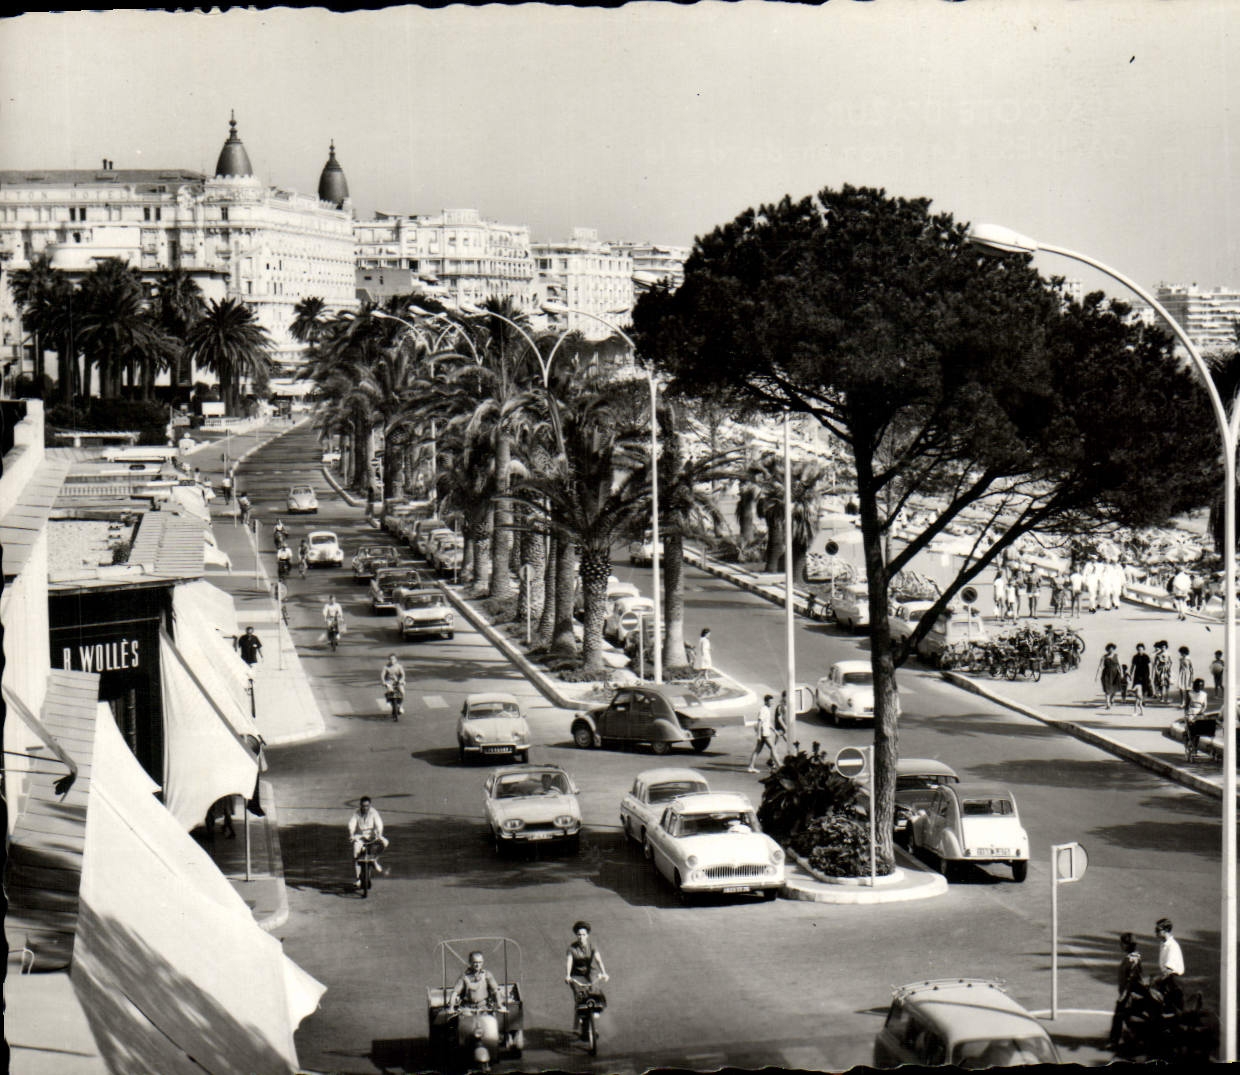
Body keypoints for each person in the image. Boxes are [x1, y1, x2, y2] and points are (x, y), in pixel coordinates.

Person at [565, 921, 608, 1038]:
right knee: (580, 998)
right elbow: (569, 962)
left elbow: (598, 960)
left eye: (583, 934)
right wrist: (568, 975)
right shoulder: (572, 948)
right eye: (579, 934)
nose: (581, 937)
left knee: (595, 992)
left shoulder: (592, 945)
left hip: (590, 972)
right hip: (576, 975)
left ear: (587, 935)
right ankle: (576, 1025)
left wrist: (604, 973)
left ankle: (595, 1019)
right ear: (576, 935)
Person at [1107, 932, 1146, 1051]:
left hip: (1129, 994)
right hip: (1130, 994)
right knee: (1128, 1018)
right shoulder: (1135, 957)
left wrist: (1123, 996)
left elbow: (1130, 980)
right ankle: (1136, 1040)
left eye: (1122, 943)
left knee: (1119, 1017)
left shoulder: (1131, 960)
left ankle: (1115, 1042)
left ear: (1126, 945)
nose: (1120, 945)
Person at [348, 796, 388, 888]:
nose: (365, 808)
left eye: (367, 806)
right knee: (356, 854)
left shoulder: (374, 813)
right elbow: (352, 824)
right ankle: (358, 879)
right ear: (360, 805)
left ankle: (374, 859)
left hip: (372, 836)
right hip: (360, 837)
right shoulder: (356, 813)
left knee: (385, 842)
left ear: (370, 805)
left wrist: (379, 834)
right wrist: (351, 834)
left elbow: (379, 824)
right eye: (363, 806)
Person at [1153, 918, 1184, 1011]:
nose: (1156, 933)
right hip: (1168, 980)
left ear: (1166, 930)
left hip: (1172, 982)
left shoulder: (1172, 946)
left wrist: (1156, 980)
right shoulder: (1164, 944)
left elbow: (1169, 971)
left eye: (1158, 930)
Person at [747, 693, 779, 772]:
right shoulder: (763, 710)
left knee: (757, 750)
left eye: (772, 701)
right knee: (773, 748)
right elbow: (760, 722)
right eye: (770, 701)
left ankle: (751, 767)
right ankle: (779, 765)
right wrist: (758, 735)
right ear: (766, 702)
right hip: (764, 733)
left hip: (765, 733)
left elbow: (768, 723)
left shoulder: (767, 710)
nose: (772, 703)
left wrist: (774, 730)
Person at [1098, 643, 1123, 711]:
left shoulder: (1117, 656)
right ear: (1107, 649)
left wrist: (1122, 673)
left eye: (1112, 649)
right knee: (1107, 689)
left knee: (1115, 689)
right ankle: (1108, 704)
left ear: (1114, 649)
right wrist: (1097, 675)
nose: (1111, 650)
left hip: (1115, 674)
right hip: (1106, 674)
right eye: (1109, 649)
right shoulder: (1104, 657)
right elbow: (1100, 666)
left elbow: (1120, 665)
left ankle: (1111, 699)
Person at [1129, 643, 1152, 716]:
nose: (1140, 650)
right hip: (1137, 674)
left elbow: (1150, 666)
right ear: (1137, 650)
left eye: (1141, 649)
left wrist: (1150, 675)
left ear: (1143, 649)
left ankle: (1143, 700)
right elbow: (1132, 666)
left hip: (1145, 674)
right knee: (1137, 688)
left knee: (1145, 688)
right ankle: (1140, 700)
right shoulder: (1135, 657)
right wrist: (1130, 674)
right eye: (1138, 649)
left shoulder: (1146, 656)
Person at [1152, 641, 1173, 705]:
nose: (1163, 648)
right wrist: (1157, 671)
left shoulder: (1168, 654)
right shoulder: (1158, 655)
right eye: (1162, 647)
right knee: (1161, 684)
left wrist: (1169, 668)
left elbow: (1171, 662)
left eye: (1164, 647)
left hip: (1167, 670)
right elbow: (1155, 664)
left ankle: (1166, 698)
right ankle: (1161, 698)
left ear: (1166, 647)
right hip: (1160, 670)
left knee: (1167, 685)